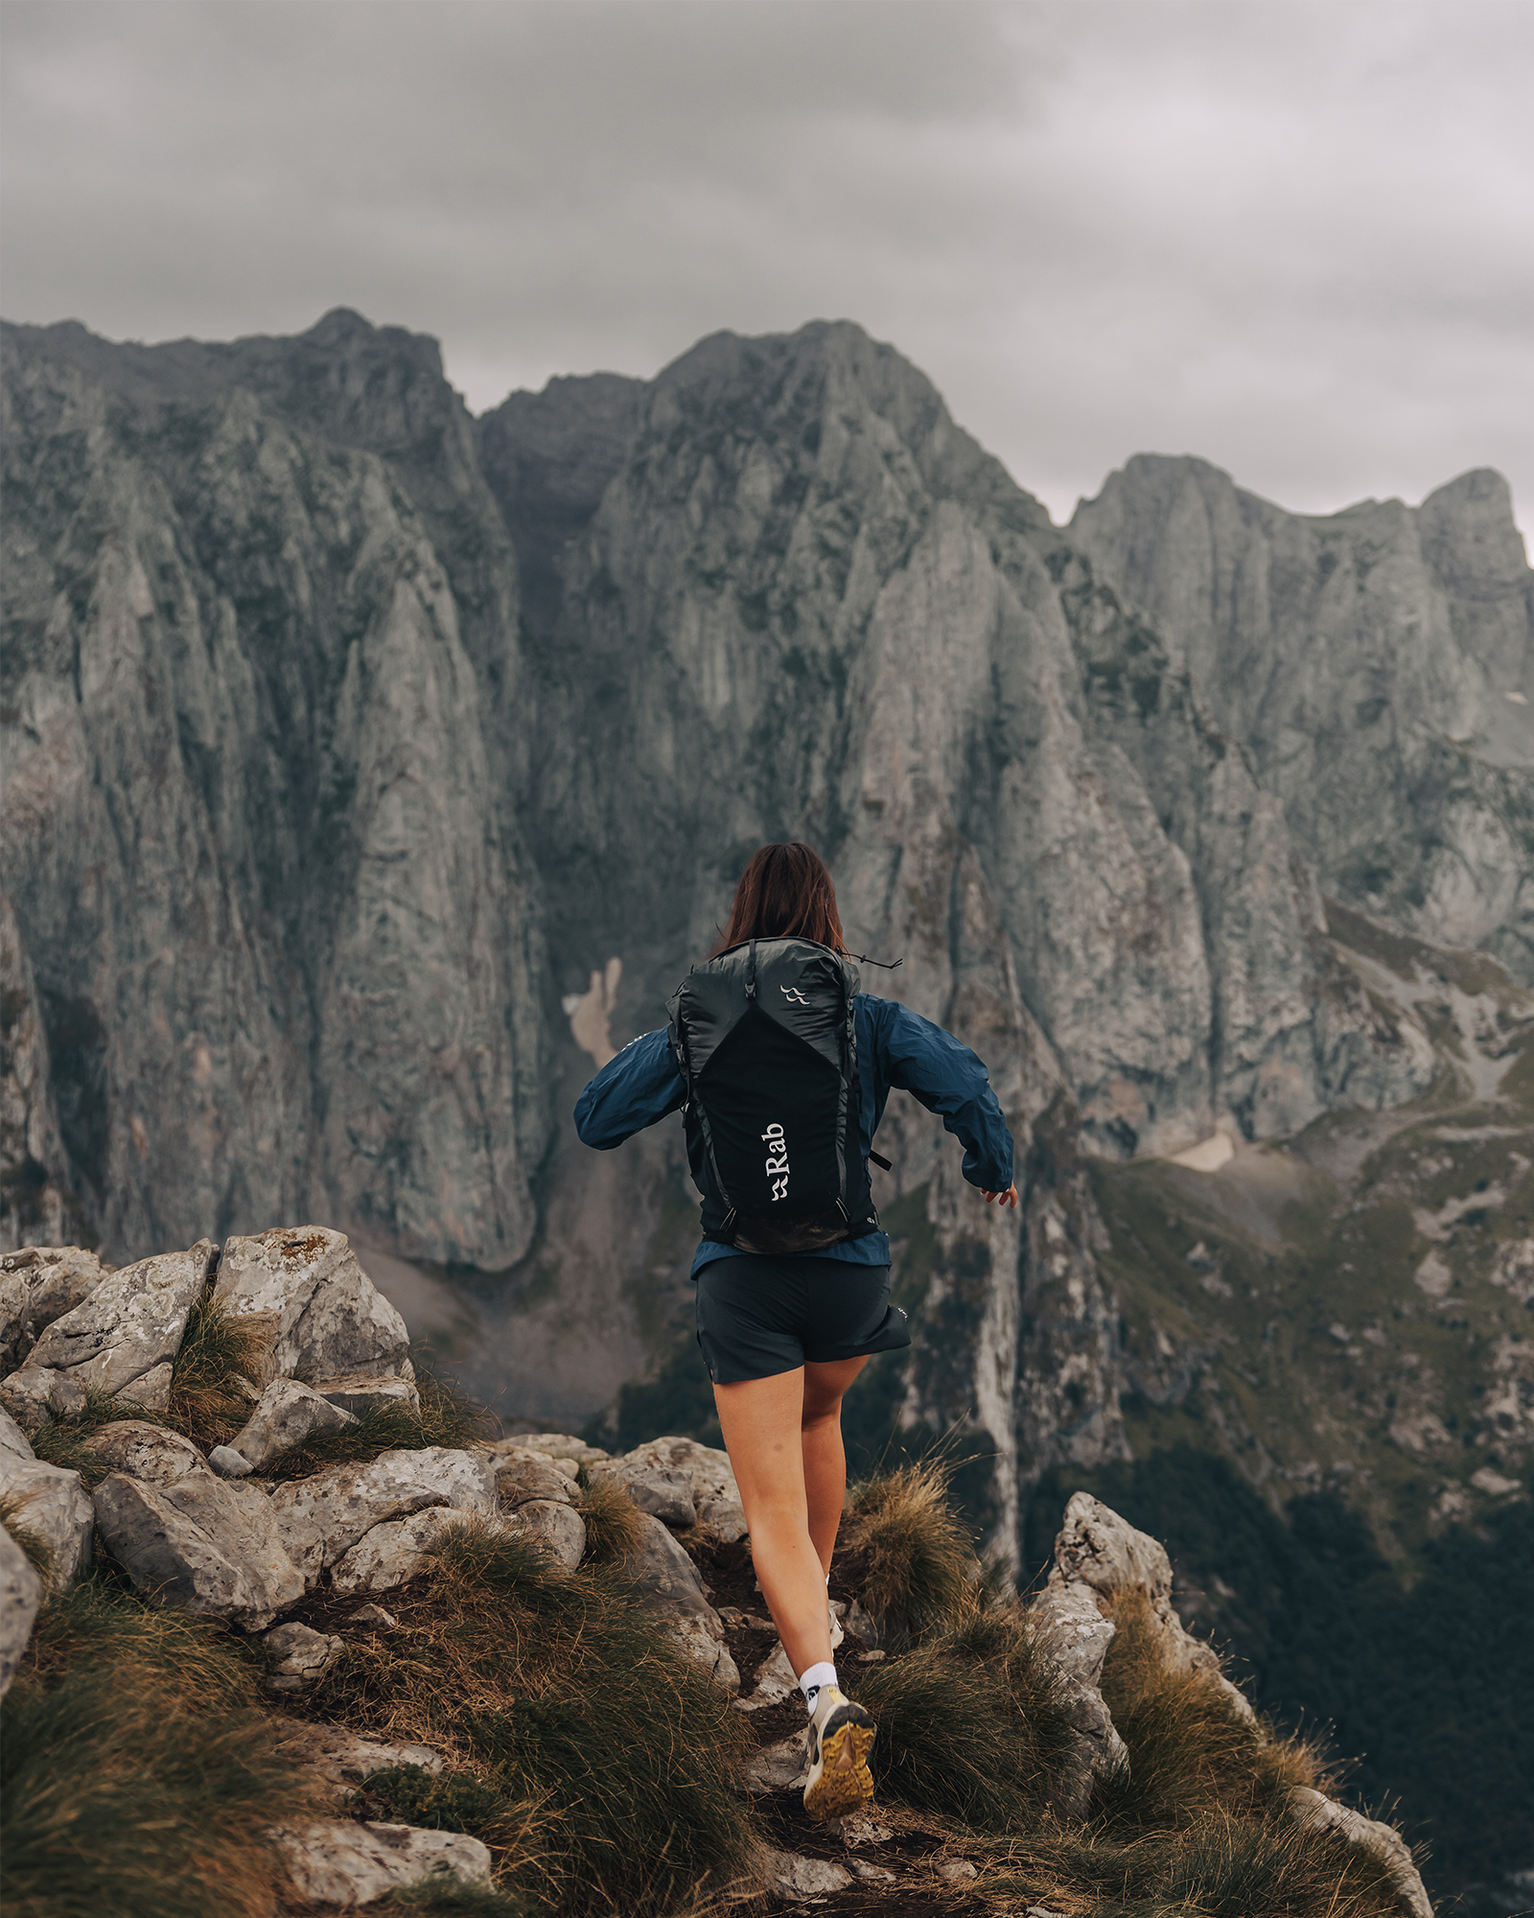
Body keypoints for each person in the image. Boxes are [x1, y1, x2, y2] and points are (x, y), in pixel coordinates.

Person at [574, 842, 1017, 1821]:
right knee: (820, 1418)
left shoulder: (701, 1022)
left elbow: (596, 1118)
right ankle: (812, 1625)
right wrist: (992, 1164)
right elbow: (964, 1079)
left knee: (765, 1507)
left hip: (748, 1285)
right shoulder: (866, 1014)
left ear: (741, 920)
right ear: (825, 921)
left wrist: (684, 1048)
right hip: (851, 1279)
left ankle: (822, 1698)